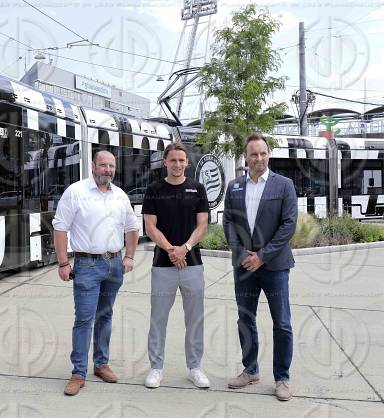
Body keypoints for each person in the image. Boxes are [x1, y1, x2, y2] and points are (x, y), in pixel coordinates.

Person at [53, 150, 139, 396]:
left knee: (105, 316)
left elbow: (132, 227)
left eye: (111, 166)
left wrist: (130, 256)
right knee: (84, 319)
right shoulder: (76, 192)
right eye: (103, 165)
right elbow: (60, 228)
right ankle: (78, 373)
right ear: (93, 166)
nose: (108, 170)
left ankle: (101, 364)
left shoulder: (120, 196)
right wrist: (62, 263)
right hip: (87, 265)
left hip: (114, 265)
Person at [223, 133, 298, 401]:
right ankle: (250, 369)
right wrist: (243, 253)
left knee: (282, 323)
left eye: (263, 153)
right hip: (244, 266)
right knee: (245, 319)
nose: (259, 159)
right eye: (253, 154)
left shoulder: (284, 185)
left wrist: (262, 256)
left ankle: (282, 378)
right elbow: (228, 223)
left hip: (275, 266)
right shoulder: (234, 187)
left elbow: (288, 224)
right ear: (246, 157)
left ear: (269, 154)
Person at [141, 143, 211, 389]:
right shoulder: (154, 190)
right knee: (158, 319)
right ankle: (156, 368)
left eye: (182, 160)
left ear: (187, 163)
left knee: (194, 319)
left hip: (192, 265)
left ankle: (195, 368)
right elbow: (150, 226)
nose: (178, 164)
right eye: (173, 160)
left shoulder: (198, 189)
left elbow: (202, 225)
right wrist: (172, 250)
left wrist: (185, 248)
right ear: (165, 162)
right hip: (163, 266)